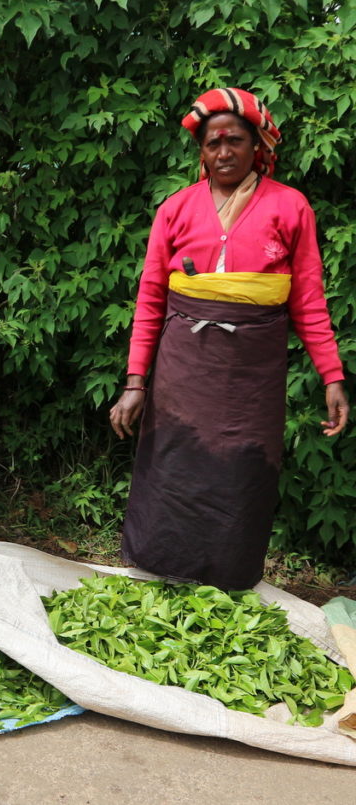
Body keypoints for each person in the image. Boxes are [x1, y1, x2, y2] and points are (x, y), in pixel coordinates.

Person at [109, 87, 349, 590]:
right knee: (174, 465)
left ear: (257, 146)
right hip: (183, 370)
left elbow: (307, 298)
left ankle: (229, 582)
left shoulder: (290, 207)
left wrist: (331, 375)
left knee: (241, 470)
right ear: (201, 150)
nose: (223, 152)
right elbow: (151, 298)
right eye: (213, 143)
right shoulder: (175, 209)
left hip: (252, 375)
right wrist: (136, 381)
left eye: (234, 141)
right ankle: (159, 572)